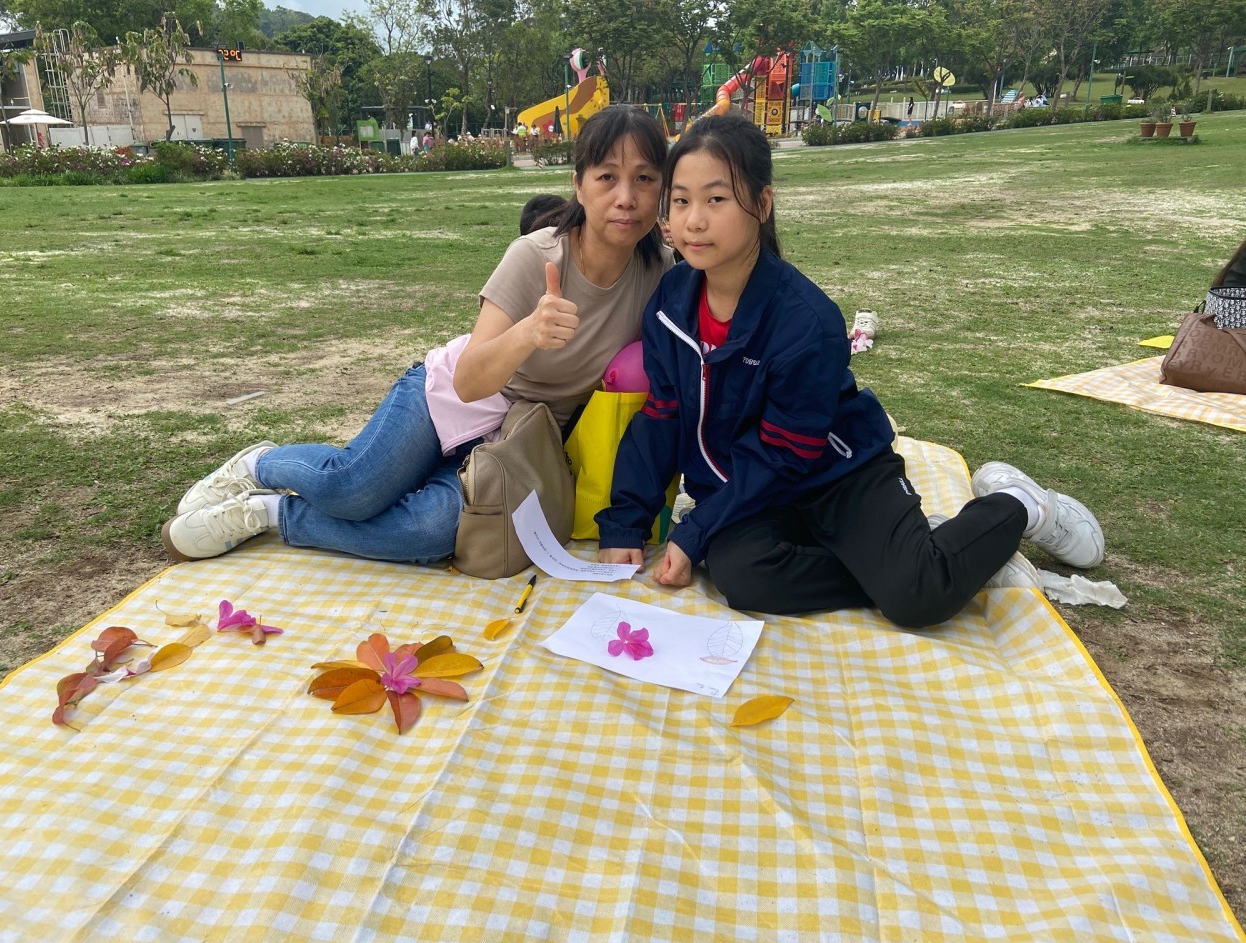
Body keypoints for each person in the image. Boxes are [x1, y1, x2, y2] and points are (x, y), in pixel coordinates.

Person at [596, 113, 1105, 629]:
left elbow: (784, 455)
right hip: (747, 488)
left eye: (716, 199)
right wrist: (625, 523)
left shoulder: (805, 321)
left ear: (763, 204)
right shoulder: (671, 304)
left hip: (837, 473)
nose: (694, 221)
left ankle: (1016, 506)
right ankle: (931, 555)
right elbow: (661, 419)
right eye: (681, 201)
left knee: (917, 597)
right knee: (743, 576)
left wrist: (698, 528)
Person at [162, 105, 673, 566]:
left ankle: (269, 515)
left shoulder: (662, 275)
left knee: (430, 532)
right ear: (579, 185)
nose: (626, 198)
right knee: (352, 490)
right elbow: (469, 381)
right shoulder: (536, 256)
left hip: (518, 439)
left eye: (645, 178)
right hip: (448, 399)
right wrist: (528, 332)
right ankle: (259, 464)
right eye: (607, 177)